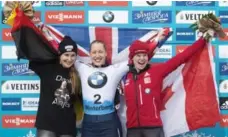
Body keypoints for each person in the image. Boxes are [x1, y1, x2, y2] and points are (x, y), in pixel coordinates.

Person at [121, 27, 220, 137]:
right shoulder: (125, 76)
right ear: (132, 58)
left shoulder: (156, 71)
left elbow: (182, 57)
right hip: (132, 129)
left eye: (144, 55)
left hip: (153, 129)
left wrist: (204, 38)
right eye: (138, 55)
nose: (142, 59)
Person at [73, 29, 170, 137]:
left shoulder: (115, 69)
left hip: (109, 123)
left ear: (106, 53)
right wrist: (49, 38)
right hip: (88, 124)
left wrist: (158, 40)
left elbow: (138, 58)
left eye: (100, 52)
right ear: (90, 54)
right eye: (94, 52)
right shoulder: (81, 68)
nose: (97, 55)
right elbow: (65, 54)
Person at [28, 36, 81, 137]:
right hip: (47, 125)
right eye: (66, 55)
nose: (69, 59)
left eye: (73, 55)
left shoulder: (78, 74)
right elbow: (32, 52)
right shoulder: (47, 67)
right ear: (60, 54)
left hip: (68, 127)